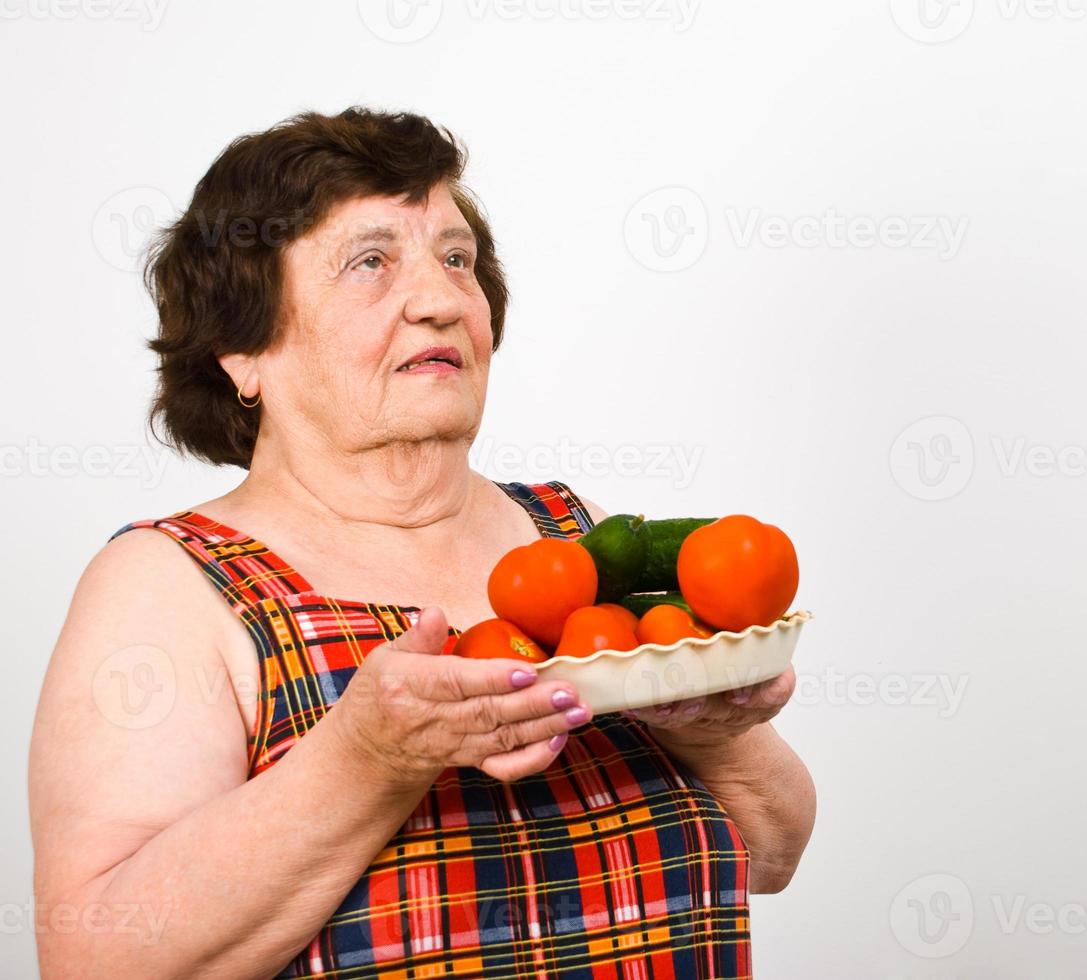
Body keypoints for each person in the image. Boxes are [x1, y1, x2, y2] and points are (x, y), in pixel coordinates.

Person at [28, 107, 815, 978]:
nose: (441, 299)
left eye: (456, 259)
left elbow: (774, 854)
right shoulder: (168, 585)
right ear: (240, 349)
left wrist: (710, 727)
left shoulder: (578, 535)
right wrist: (366, 759)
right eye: (370, 262)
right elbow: (94, 959)